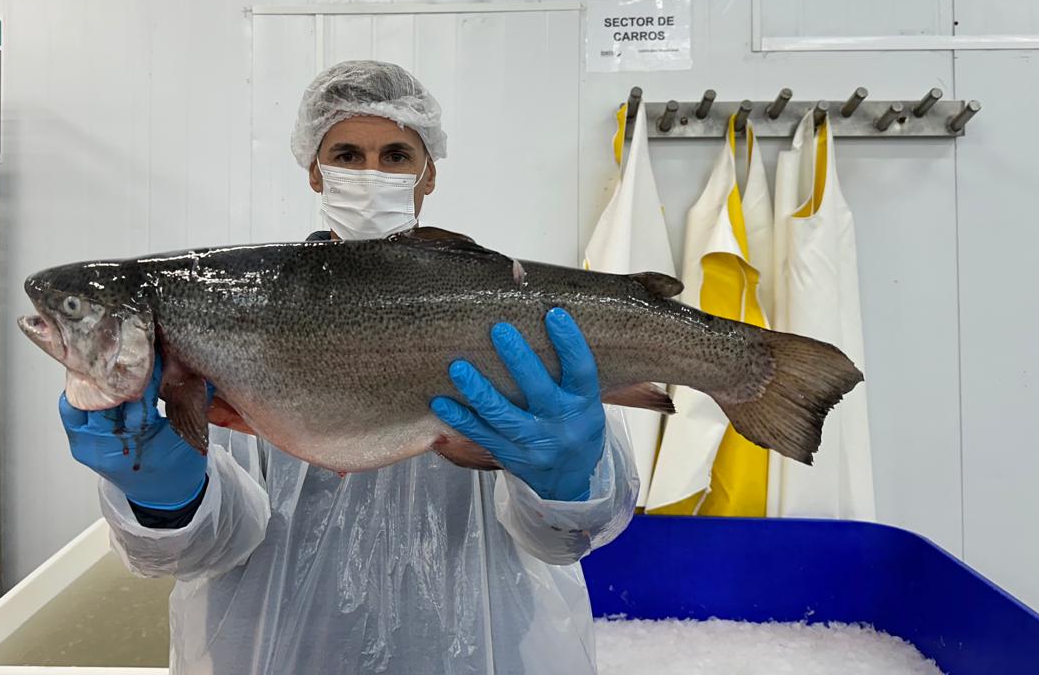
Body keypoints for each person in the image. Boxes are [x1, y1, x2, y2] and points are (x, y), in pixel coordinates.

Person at [59, 60, 641, 674]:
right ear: (315, 171)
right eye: (346, 154)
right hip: (277, 649)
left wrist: (570, 483)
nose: (371, 174)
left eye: (395, 155)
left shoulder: (496, 314)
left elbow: (562, 540)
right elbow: (204, 548)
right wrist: (166, 498)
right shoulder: (243, 313)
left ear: (429, 174)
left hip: (476, 648)